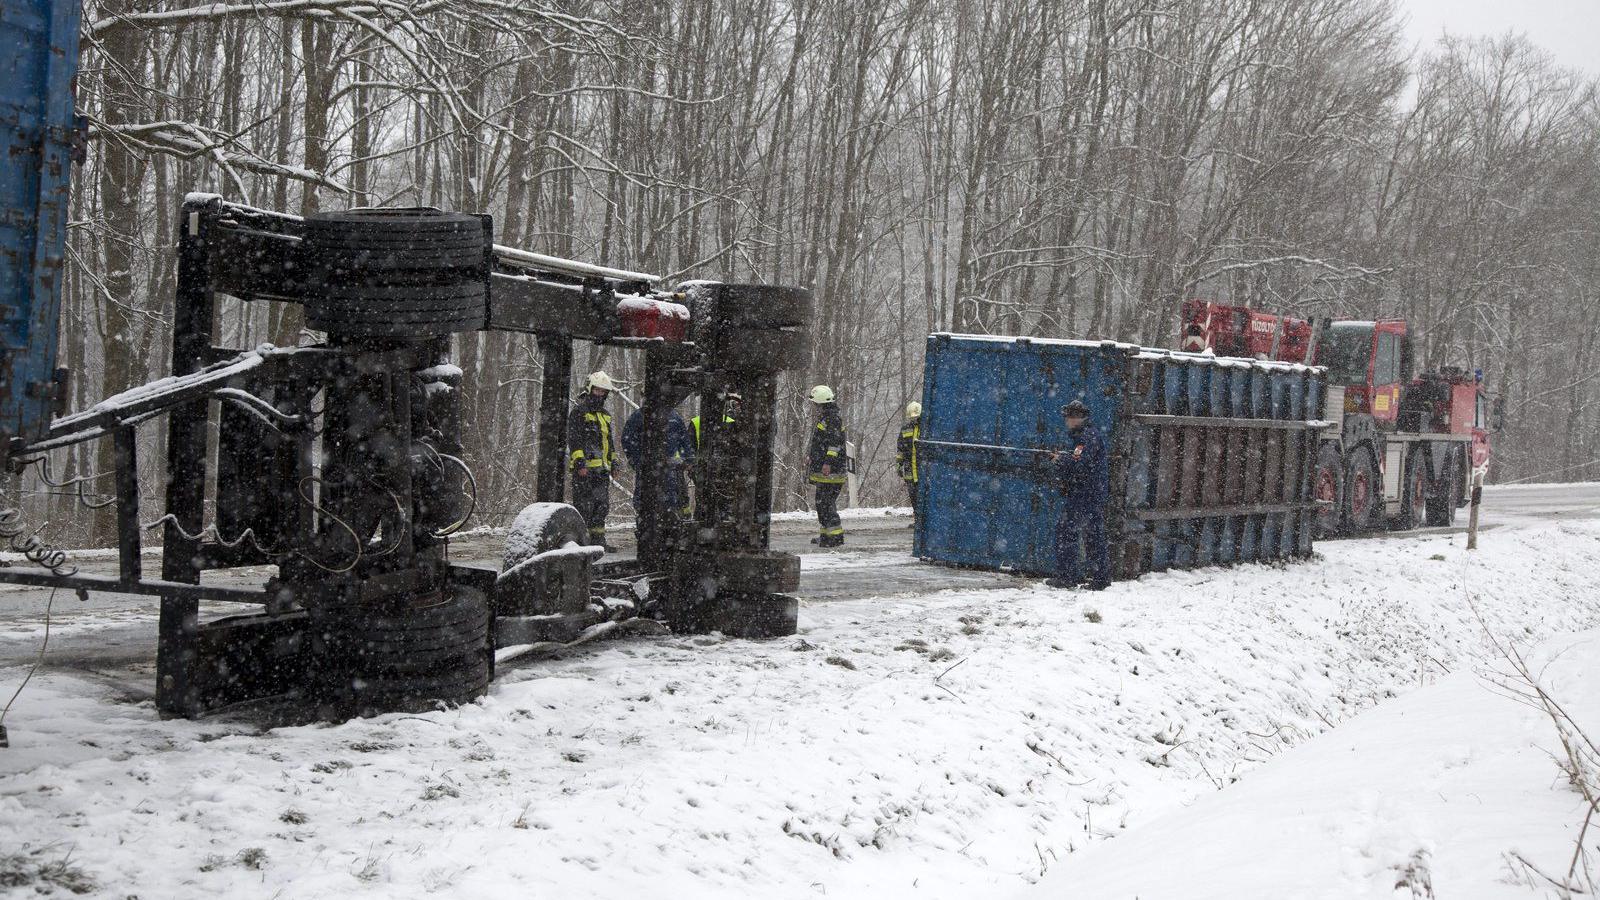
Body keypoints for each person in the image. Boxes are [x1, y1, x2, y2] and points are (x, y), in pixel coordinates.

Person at [1048, 399, 1110, 590]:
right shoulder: (1087, 436)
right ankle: (1100, 578)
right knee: (1093, 534)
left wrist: (1061, 460)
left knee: (1067, 532)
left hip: (1085, 494)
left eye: (1068, 417)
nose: (1066, 421)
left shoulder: (1086, 437)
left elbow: (1080, 464)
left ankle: (1068, 577)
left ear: (1076, 418)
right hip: (1090, 493)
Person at [568, 370, 618, 550]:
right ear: (590, 389)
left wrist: (614, 462)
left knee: (601, 507)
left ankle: (598, 542)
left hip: (602, 471)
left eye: (603, 391)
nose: (600, 394)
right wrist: (580, 463)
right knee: (584, 506)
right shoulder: (579, 412)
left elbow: (608, 442)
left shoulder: (605, 414)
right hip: (585, 470)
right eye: (597, 390)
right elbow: (574, 439)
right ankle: (582, 542)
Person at [621, 403, 694, 522]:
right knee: (645, 497)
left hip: (669, 466)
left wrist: (688, 459)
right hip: (647, 466)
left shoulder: (674, 416)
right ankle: (647, 523)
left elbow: (684, 440)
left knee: (670, 498)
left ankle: (668, 523)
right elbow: (627, 439)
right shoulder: (639, 416)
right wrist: (637, 460)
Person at [807, 384, 847, 547]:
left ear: (821, 403)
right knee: (822, 503)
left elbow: (833, 444)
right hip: (825, 469)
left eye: (815, 404)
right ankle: (826, 536)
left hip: (831, 470)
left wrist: (827, 463)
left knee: (826, 503)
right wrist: (812, 457)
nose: (814, 407)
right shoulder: (828, 417)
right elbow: (821, 442)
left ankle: (835, 537)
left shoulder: (832, 418)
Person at [896, 401, 922, 524]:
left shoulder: (927, 428)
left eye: (917, 417)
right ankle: (918, 519)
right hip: (909, 469)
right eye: (913, 418)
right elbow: (900, 448)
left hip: (922, 469)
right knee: (913, 495)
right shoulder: (905, 429)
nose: (915, 420)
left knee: (923, 495)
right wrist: (898, 464)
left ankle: (924, 521)